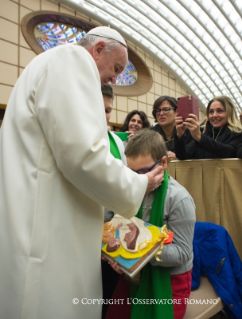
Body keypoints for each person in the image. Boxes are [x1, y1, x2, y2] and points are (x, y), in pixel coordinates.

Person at [0, 26, 164, 319]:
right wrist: (140, 183)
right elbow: (84, 157)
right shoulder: (71, 60)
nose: (115, 78)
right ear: (97, 49)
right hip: (48, 234)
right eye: (115, 68)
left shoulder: (45, 65)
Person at [106, 129, 196, 319]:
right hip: (132, 276)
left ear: (163, 163)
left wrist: (133, 254)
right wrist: (116, 256)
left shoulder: (179, 199)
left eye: (144, 172)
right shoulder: (127, 189)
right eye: (130, 173)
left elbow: (182, 253)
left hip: (170, 280)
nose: (137, 180)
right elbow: (112, 226)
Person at [174, 95, 242, 159]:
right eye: (211, 112)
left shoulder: (237, 134)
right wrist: (179, 135)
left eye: (220, 111)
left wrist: (201, 138)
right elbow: (183, 155)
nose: (214, 115)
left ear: (229, 113)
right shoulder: (205, 133)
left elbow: (229, 152)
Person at [151, 96, 192, 161]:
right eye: (158, 110)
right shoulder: (150, 134)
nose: (161, 113)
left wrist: (179, 157)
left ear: (176, 112)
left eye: (166, 109)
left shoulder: (188, 132)